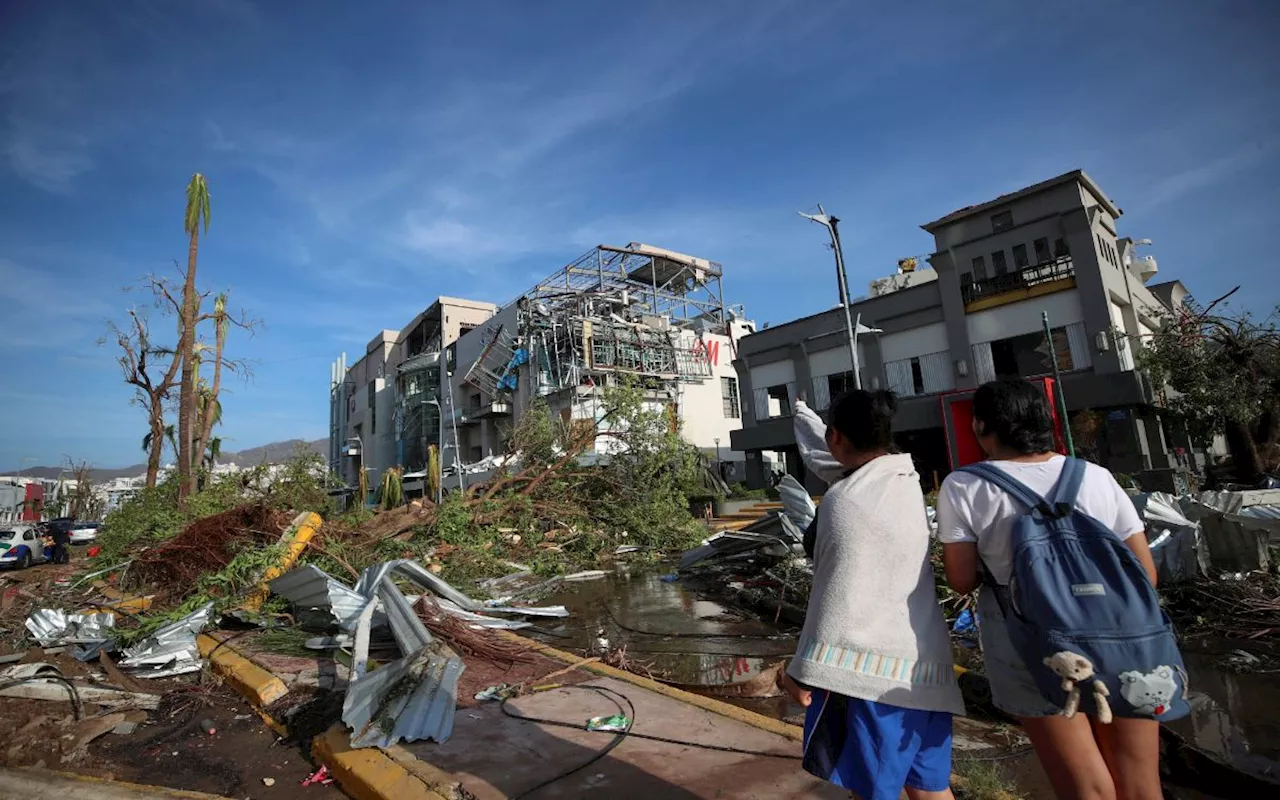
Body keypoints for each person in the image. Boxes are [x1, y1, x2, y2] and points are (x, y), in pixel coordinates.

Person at [937, 379, 1161, 800]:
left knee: (1086, 787)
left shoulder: (965, 486)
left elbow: (962, 579)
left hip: (1032, 643)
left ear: (982, 426)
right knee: (1141, 783)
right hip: (1123, 638)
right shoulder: (1097, 477)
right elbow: (1145, 574)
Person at [779, 391, 963, 800]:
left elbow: (836, 592)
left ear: (837, 436)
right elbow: (832, 460)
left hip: (870, 678)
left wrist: (799, 668)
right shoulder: (904, 481)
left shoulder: (844, 500)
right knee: (929, 789)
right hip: (925, 669)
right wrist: (803, 416)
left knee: (872, 789)